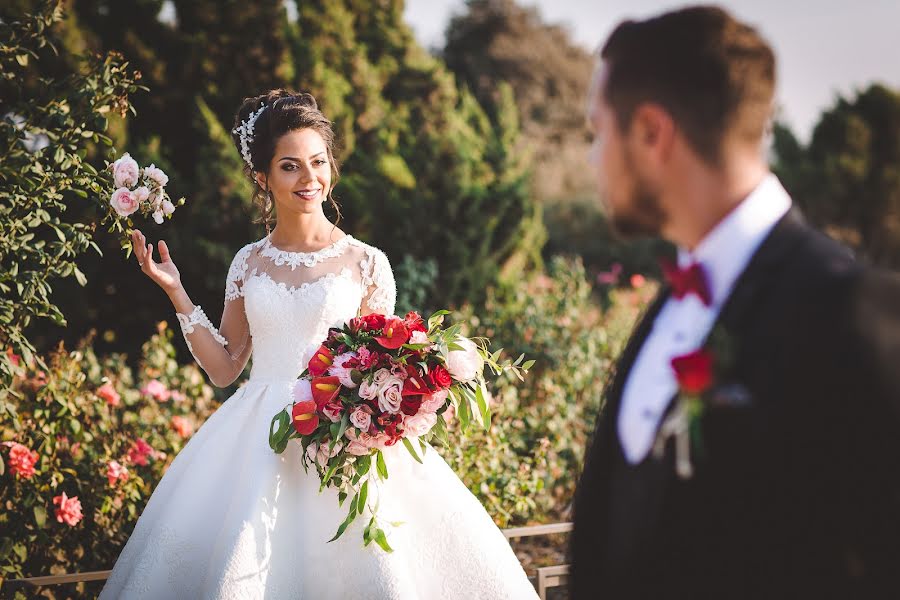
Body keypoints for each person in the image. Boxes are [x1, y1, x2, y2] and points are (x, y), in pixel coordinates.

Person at [100, 89, 538, 600]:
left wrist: (372, 411)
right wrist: (175, 289)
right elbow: (225, 367)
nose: (309, 179)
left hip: (345, 436)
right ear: (262, 177)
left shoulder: (367, 263)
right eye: (290, 166)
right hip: (256, 441)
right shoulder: (248, 262)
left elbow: (382, 365)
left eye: (318, 162)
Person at [570, 6, 900, 599]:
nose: (593, 159)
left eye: (599, 132)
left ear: (651, 133)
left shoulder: (852, 311)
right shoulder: (668, 308)